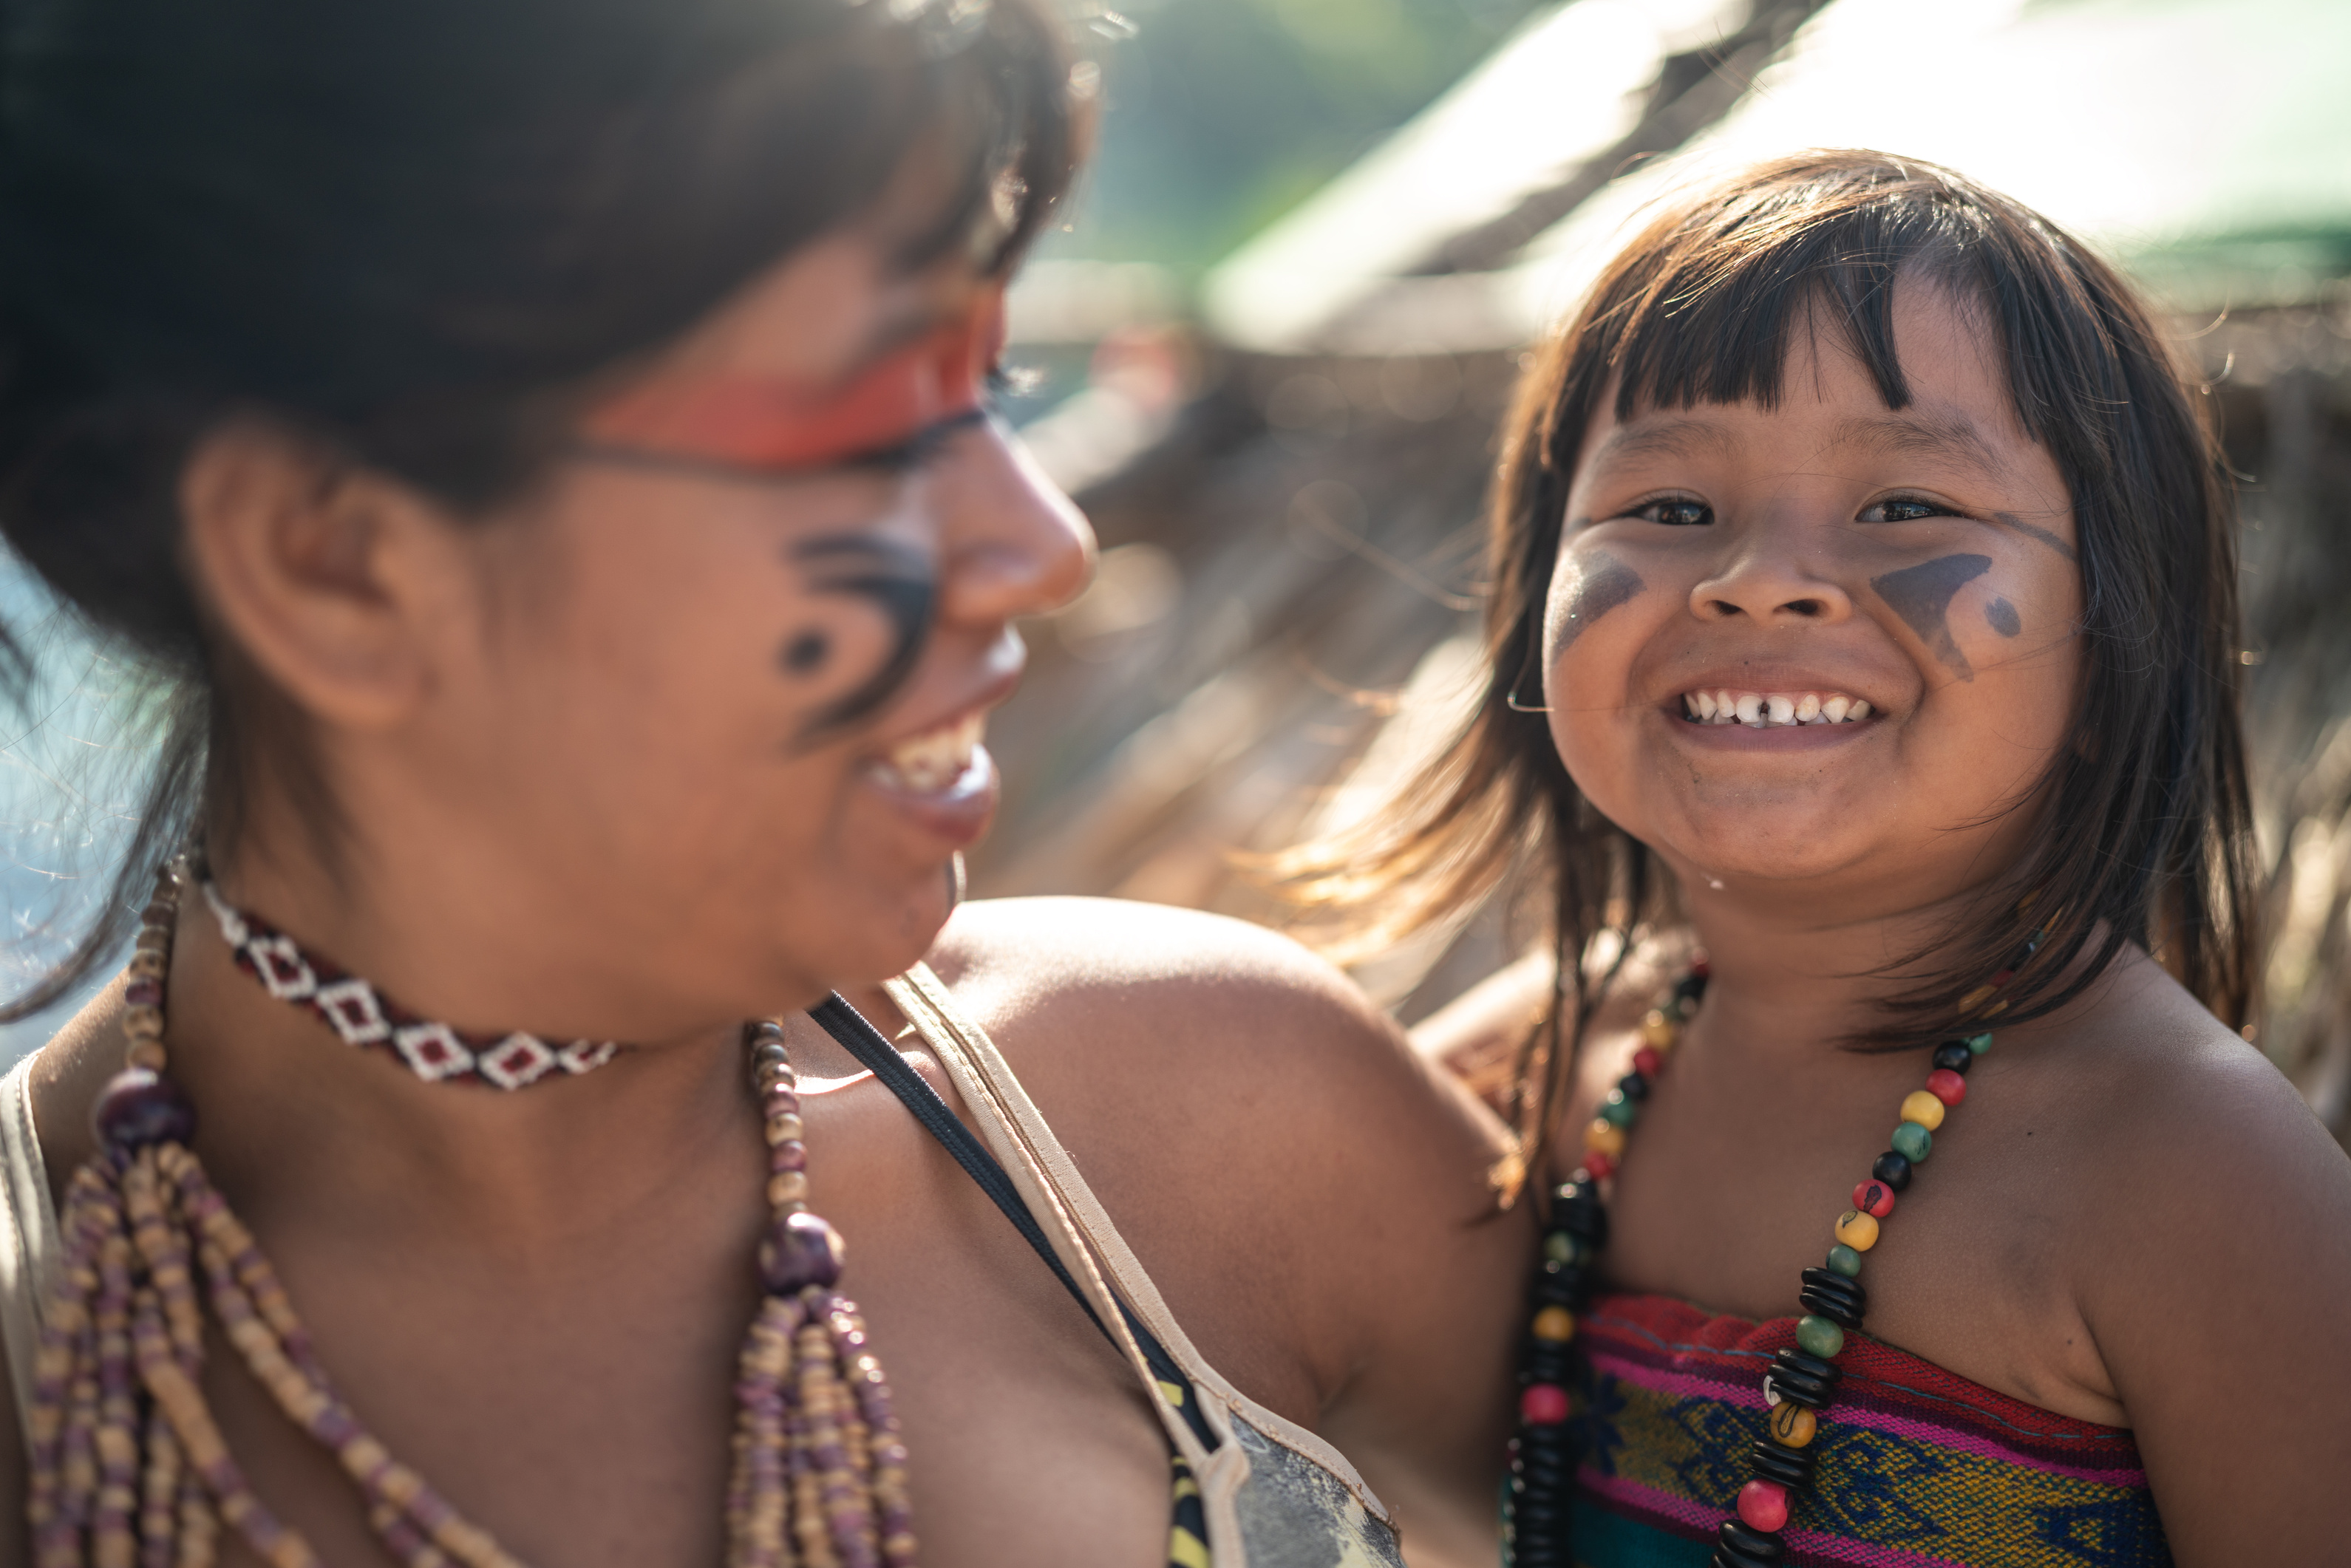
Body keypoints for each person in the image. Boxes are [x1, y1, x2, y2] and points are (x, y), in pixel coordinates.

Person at [0, 2, 1531, 1564]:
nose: (1047, 543)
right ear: (331, 566)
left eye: (990, 394)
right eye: (868, 434)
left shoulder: (1218, 1123)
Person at [1289, 151, 2351, 1567]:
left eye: (1905, 505)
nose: (1756, 575)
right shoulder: (1524, 1080)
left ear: (2114, 645)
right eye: (1666, 509)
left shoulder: (2194, 1175)